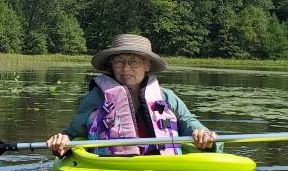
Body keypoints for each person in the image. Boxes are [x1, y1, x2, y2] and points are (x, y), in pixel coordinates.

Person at [47, 33, 216, 157]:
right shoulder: (96, 98)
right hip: (116, 169)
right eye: (119, 61)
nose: (126, 69)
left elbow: (191, 123)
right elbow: (72, 133)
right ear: (112, 65)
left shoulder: (167, 97)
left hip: (164, 167)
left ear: (147, 65)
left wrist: (203, 134)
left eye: (134, 62)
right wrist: (62, 140)